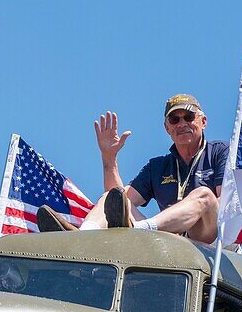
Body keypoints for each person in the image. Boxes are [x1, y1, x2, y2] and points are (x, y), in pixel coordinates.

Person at [37, 95, 228, 244]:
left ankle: (139, 229)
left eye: (188, 117)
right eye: (174, 119)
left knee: (204, 195)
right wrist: (109, 158)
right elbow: (119, 201)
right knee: (109, 196)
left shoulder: (219, 152)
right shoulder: (158, 166)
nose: (182, 123)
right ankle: (82, 239)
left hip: (210, 238)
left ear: (203, 122)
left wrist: (147, 226)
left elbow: (222, 205)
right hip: (171, 239)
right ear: (166, 128)